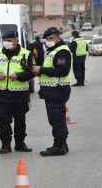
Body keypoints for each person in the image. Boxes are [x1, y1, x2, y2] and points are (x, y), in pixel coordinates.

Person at [0, 30, 35, 154]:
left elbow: (31, 72)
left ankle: (20, 143)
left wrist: (18, 76)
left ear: (17, 40)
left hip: (19, 94)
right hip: (0, 93)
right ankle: (5, 145)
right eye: (5, 40)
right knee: (3, 120)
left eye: (10, 40)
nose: (7, 43)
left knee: (20, 120)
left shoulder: (26, 54)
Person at [31, 27, 72, 157]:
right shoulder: (53, 51)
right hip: (52, 91)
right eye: (47, 39)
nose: (48, 41)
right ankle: (62, 144)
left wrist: (41, 70)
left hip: (57, 90)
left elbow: (62, 71)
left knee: (57, 120)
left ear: (58, 37)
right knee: (56, 119)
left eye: (51, 39)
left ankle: (58, 146)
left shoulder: (62, 51)